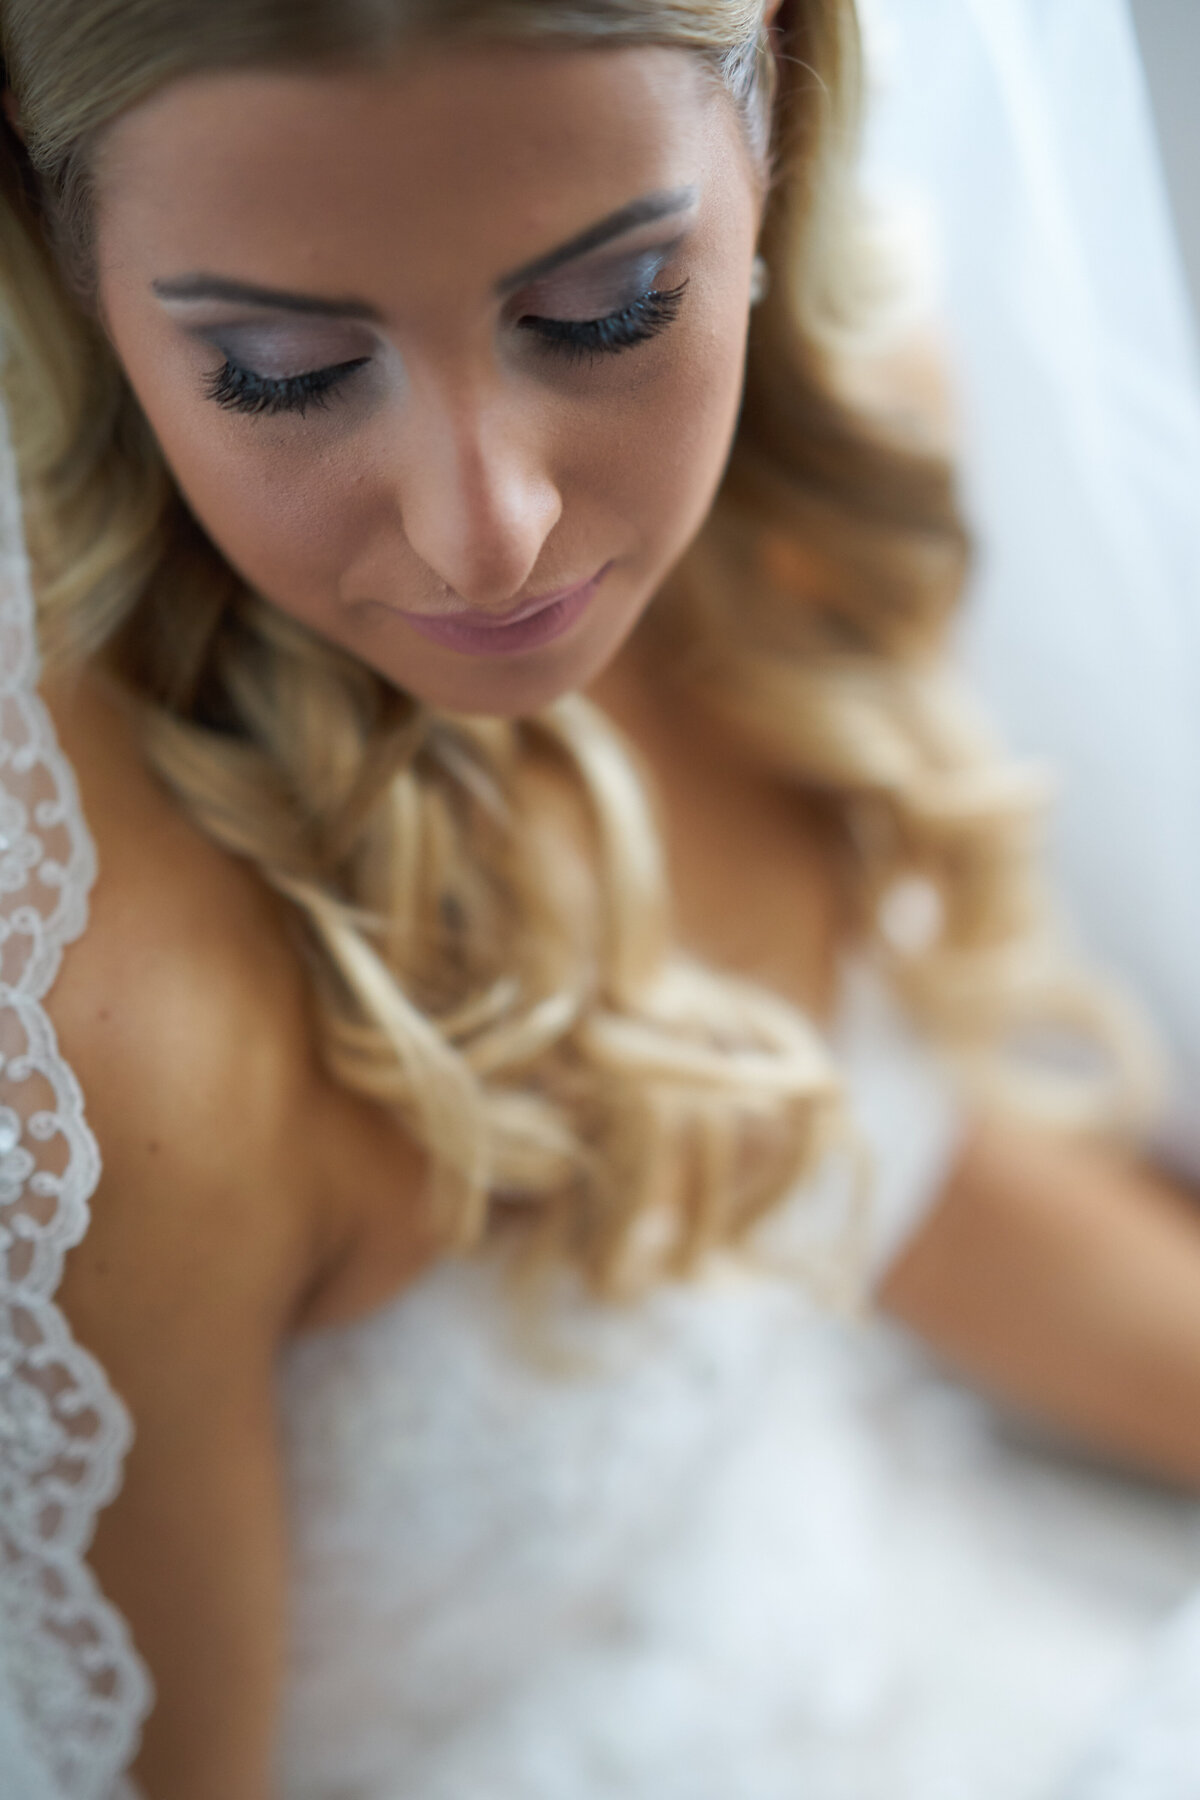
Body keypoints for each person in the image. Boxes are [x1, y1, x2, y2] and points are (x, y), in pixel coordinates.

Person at [1, 2, 1199, 1796]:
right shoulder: (115, 1056)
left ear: (779, 115)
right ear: (65, 259)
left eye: (604, 313)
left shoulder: (815, 481)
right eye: (278, 365)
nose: (493, 533)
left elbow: (863, 1179)